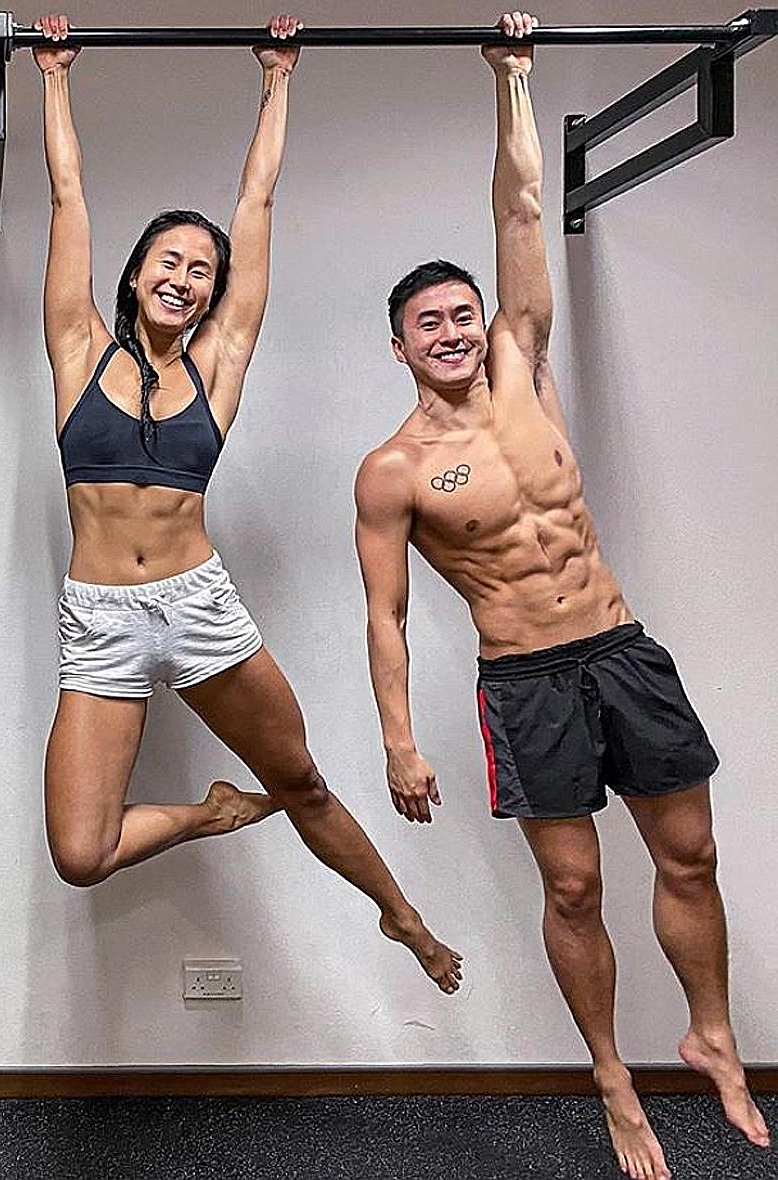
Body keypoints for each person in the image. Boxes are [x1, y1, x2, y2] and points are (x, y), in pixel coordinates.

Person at [353, 13, 768, 1180]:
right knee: (575, 883)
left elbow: (521, 212)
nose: (450, 330)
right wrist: (396, 740)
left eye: (460, 313)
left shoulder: (525, 373)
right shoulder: (391, 470)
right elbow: (383, 614)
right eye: (425, 323)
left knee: (690, 858)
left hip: (621, 649)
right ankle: (612, 1077)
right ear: (398, 347)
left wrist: (513, 78)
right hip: (524, 677)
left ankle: (712, 1031)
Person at [35, 12, 461, 993]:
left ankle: (403, 918)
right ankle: (210, 811)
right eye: (169, 261)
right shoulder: (76, 349)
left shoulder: (220, 367)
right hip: (100, 620)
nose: (184, 276)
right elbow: (68, 193)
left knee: (303, 779)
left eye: (201, 269)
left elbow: (256, 200)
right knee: (80, 849)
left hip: (197, 604)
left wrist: (277, 79)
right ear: (137, 271)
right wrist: (55, 77)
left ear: (213, 290)